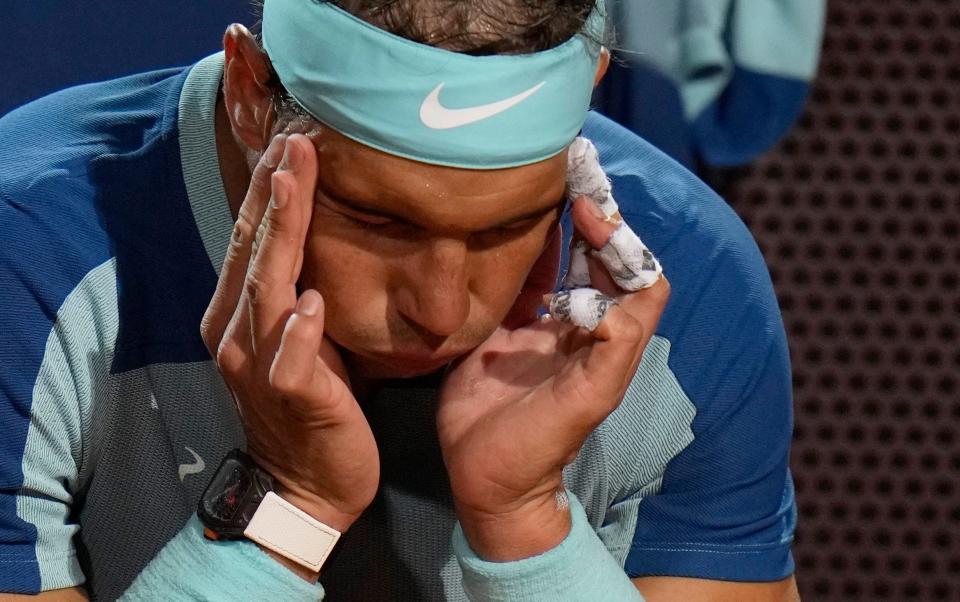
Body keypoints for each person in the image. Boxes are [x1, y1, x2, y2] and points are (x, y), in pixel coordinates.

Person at [0, 0, 799, 600]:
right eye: (379, 220)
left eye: (513, 226)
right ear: (251, 93)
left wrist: (529, 527)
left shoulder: (687, 300)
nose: (444, 310)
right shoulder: (30, 253)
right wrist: (285, 510)